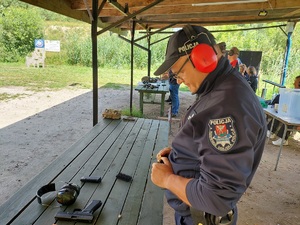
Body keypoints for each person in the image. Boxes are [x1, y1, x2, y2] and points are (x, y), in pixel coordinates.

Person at [151, 25, 267, 225]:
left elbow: (215, 199)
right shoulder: (219, 87)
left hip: (199, 218)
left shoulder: (225, 107)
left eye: (178, 72)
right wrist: (182, 152)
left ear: (203, 57)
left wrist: (167, 179)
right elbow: (207, 141)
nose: (177, 80)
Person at [267, 75, 300, 146]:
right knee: (280, 114)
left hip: (297, 118)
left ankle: (283, 139)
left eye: (295, 82)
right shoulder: (295, 93)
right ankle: (270, 131)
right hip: (293, 114)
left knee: (290, 120)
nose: (293, 83)